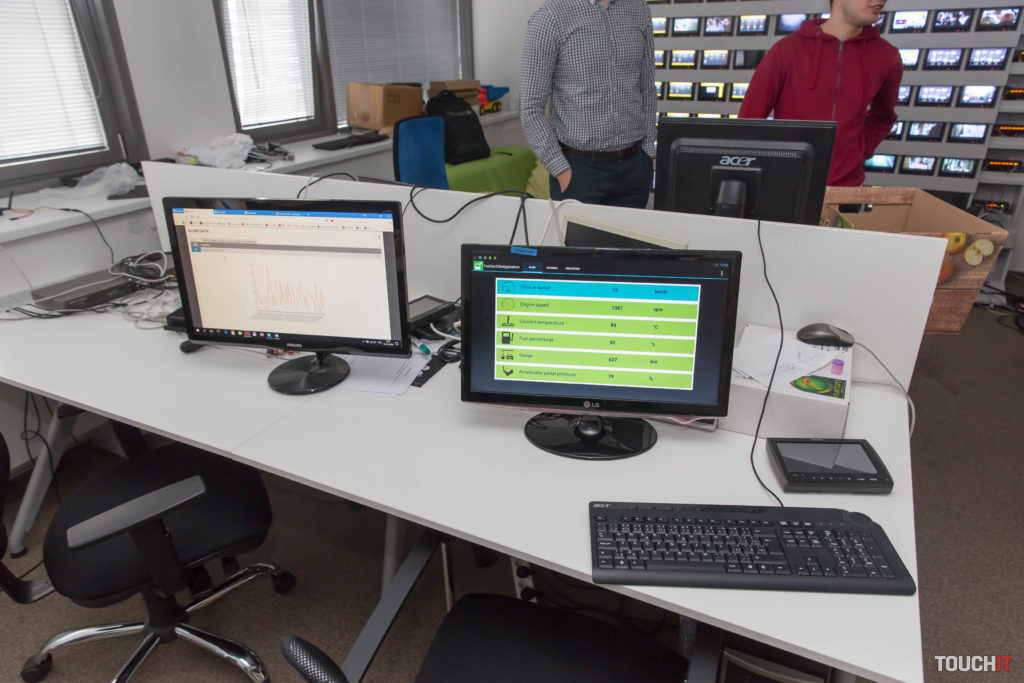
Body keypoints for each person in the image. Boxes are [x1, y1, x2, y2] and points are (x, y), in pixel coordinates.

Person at [738, 0, 902, 186]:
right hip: (786, 184)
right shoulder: (787, 50)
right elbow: (749, 120)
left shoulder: (887, 56)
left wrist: (857, 154)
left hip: (845, 188)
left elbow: (883, 117)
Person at [520, 0, 657, 207]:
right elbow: (531, 107)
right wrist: (562, 170)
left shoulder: (639, 9)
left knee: (630, 231)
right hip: (579, 172)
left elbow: (647, 89)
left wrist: (647, 154)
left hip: (634, 169)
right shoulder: (551, 16)